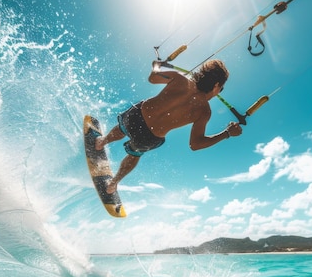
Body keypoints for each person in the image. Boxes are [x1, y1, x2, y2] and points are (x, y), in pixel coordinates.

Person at [94, 58, 242, 193]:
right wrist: (227, 133)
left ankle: (102, 142)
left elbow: (152, 78)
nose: (219, 92)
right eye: (221, 88)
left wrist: (156, 66)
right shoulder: (204, 111)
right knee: (134, 155)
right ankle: (113, 184)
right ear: (216, 86)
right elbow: (195, 144)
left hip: (136, 117)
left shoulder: (180, 79)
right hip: (149, 137)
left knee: (122, 128)